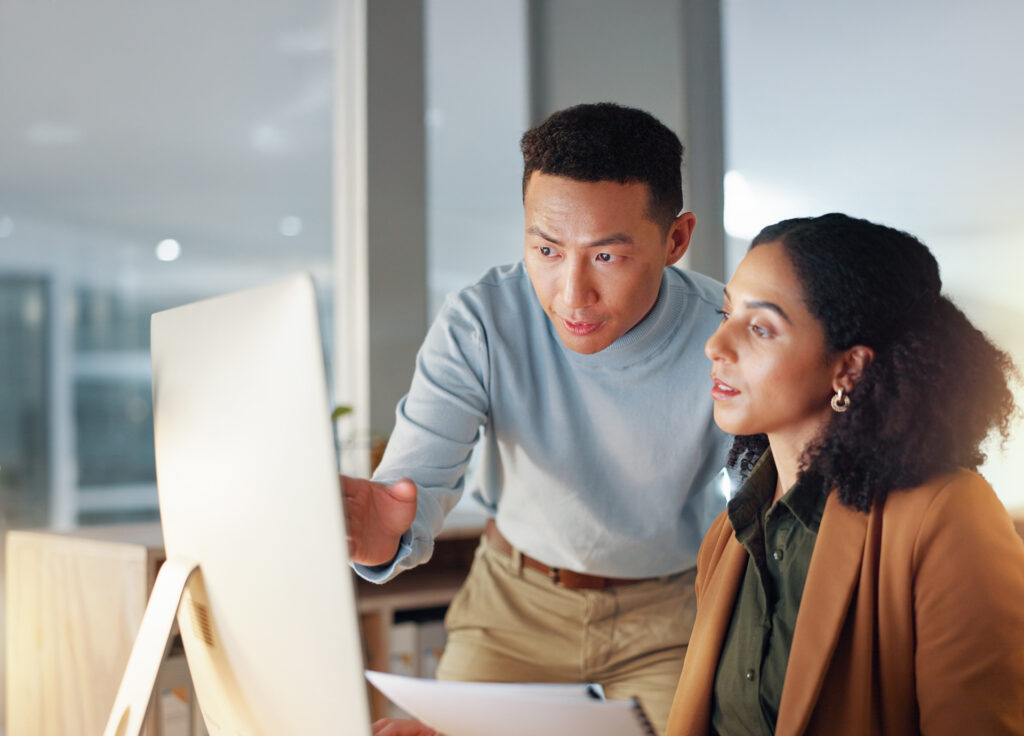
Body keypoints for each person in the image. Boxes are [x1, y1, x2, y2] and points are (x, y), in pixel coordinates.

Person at [345, 102, 733, 734]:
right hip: (513, 607)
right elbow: (414, 482)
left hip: (668, 616)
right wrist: (388, 526)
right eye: (547, 249)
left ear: (676, 240)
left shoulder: (727, 332)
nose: (571, 293)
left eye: (607, 257)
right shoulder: (481, 321)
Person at [667, 213, 1024, 735]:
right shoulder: (730, 536)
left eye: (761, 327)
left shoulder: (947, 516)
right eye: (726, 313)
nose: (716, 346)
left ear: (849, 368)